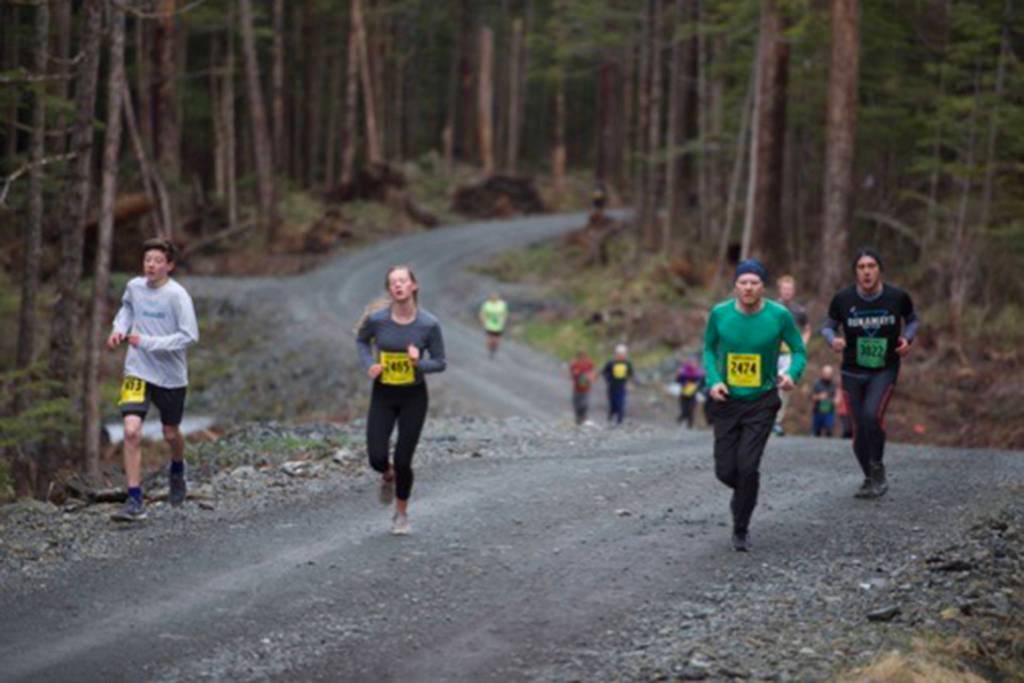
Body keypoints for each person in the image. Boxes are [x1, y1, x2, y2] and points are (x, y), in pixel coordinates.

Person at [703, 259, 806, 551]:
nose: (748, 287)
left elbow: (799, 350)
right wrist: (714, 380)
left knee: (748, 467)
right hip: (727, 400)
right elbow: (709, 349)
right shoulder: (720, 314)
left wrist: (791, 374)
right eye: (743, 282)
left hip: (761, 402)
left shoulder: (779, 316)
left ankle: (741, 527)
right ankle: (746, 492)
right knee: (725, 471)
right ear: (735, 285)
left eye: (754, 283)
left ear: (763, 287)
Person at [108, 238, 199, 522]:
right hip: (137, 371)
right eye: (148, 259)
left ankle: (177, 467)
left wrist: (146, 341)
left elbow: (189, 336)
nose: (151, 265)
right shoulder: (134, 287)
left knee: (170, 433)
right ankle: (134, 498)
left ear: (169, 266)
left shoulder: (177, 296)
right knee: (132, 430)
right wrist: (118, 330)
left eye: (158, 261)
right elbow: (127, 311)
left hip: (170, 376)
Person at [357, 265, 446, 535]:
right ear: (390, 289)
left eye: (403, 281)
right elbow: (362, 342)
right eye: (393, 282)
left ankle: (401, 515)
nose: (398, 286)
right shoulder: (377, 320)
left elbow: (440, 363)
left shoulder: (429, 324)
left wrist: (419, 362)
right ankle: (387, 474)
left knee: (404, 460)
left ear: (413, 286)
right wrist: (369, 364)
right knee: (376, 457)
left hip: (413, 396)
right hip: (383, 394)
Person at [822, 247, 918, 499]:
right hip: (852, 370)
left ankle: (878, 468)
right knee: (859, 428)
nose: (866, 272)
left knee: (871, 416)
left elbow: (913, 319)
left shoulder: (897, 296)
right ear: (856, 272)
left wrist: (907, 338)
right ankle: (870, 477)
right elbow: (828, 327)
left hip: (883, 369)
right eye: (861, 267)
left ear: (879, 269)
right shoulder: (843, 299)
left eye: (871, 266)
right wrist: (833, 340)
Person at [773, 275, 811, 436]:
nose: (787, 292)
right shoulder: (772, 307)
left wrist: (802, 344)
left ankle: (777, 421)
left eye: (790, 289)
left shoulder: (799, 311)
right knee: (768, 385)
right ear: (780, 290)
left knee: (784, 386)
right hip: (772, 352)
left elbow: (807, 328)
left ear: (793, 292)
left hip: (789, 355)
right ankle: (764, 417)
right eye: (784, 289)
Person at [602, 344, 633, 425]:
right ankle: (611, 414)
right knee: (613, 401)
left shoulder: (627, 363)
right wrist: (608, 379)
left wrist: (629, 382)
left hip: (621, 385)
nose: (621, 356)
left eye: (623, 354)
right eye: (619, 354)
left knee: (621, 402)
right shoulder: (611, 363)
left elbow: (630, 373)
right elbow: (604, 372)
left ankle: (620, 418)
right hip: (612, 385)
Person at [569, 350, 597, 425]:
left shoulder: (589, 363)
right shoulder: (575, 364)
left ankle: (583, 417)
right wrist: (576, 374)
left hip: (586, 388)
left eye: (584, 357)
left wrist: (591, 377)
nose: (583, 359)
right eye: (581, 357)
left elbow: (593, 372)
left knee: (585, 404)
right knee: (577, 404)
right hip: (577, 388)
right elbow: (572, 373)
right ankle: (578, 418)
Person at [675, 358, 705, 429]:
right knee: (685, 411)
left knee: (691, 410)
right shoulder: (683, 373)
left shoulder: (698, 373)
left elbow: (702, 383)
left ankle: (690, 426)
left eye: (695, 363)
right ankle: (680, 421)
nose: (694, 365)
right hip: (684, 394)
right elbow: (677, 380)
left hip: (693, 395)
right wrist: (681, 379)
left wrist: (699, 388)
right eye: (692, 363)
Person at [478, 292, 508, 359]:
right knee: (489, 340)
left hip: (499, 326)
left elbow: (505, 313)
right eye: (492, 297)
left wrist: (504, 320)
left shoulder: (502, 304)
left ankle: (494, 349)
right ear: (490, 297)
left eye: (495, 296)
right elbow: (482, 313)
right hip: (489, 325)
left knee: (496, 341)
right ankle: (490, 350)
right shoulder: (487, 305)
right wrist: (483, 321)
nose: (494, 298)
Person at [811, 364, 837, 437]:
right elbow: (811, 397)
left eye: (829, 373)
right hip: (818, 411)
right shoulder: (817, 383)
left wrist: (832, 400)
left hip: (829, 411)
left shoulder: (834, 384)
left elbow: (837, 399)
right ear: (822, 373)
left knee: (829, 430)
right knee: (816, 431)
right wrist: (819, 397)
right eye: (825, 373)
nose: (827, 375)